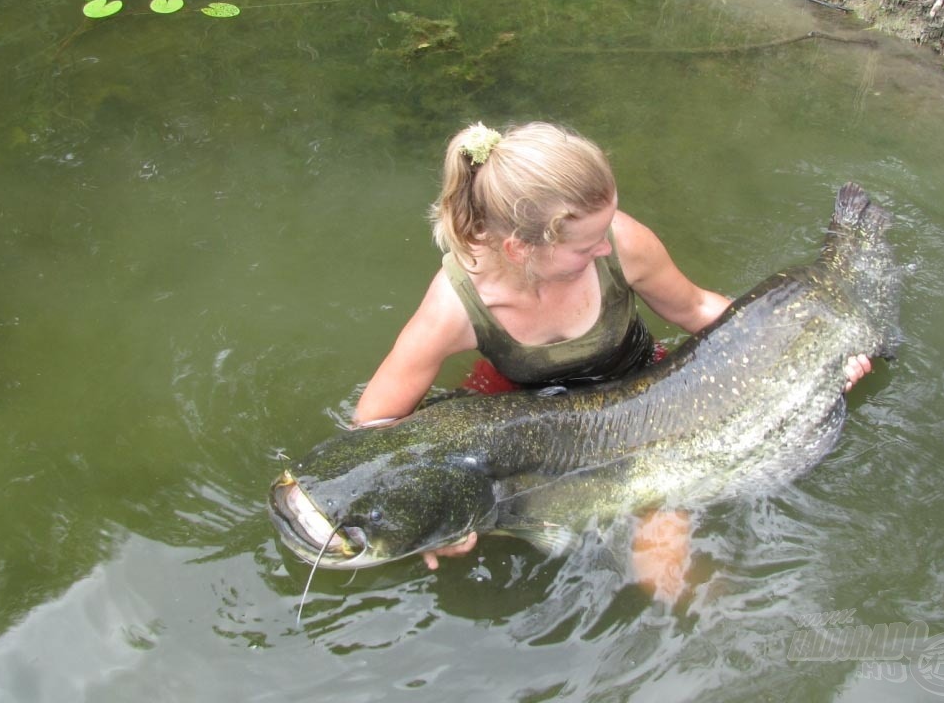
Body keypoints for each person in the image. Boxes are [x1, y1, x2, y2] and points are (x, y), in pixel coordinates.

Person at [354, 121, 871, 593]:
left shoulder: (623, 243)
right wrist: (437, 514)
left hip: (645, 403)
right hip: (518, 413)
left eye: (606, 230)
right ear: (519, 250)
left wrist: (803, 344)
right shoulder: (454, 304)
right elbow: (373, 422)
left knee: (663, 577)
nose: (605, 247)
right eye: (587, 245)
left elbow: (694, 307)